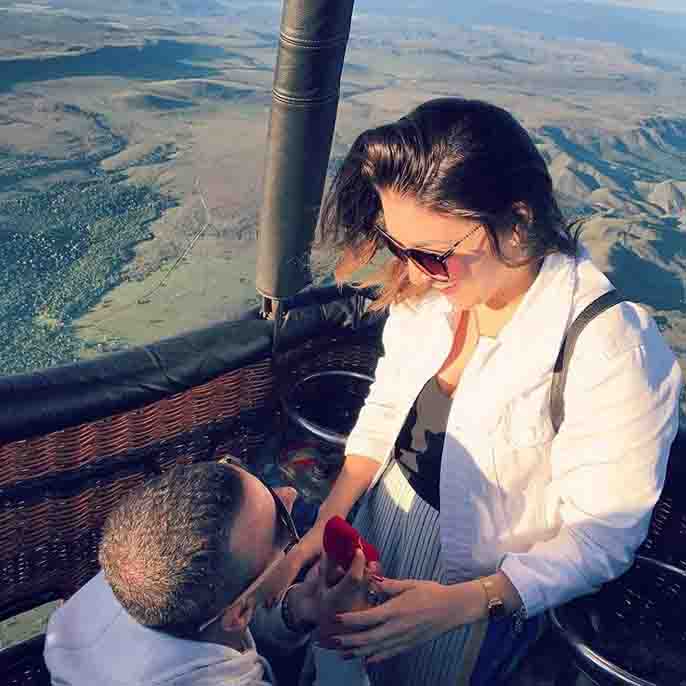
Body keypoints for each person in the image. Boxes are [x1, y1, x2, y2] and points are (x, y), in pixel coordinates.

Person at [262, 98, 684, 685]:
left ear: (517, 223)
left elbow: (601, 538)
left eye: (435, 255)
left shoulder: (611, 348)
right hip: (384, 524)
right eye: (398, 246)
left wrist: (462, 604)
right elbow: (387, 408)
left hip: (480, 590)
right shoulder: (439, 292)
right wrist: (329, 517)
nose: (411, 274)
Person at [43, 459, 377, 686]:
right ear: (240, 612)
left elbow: (218, 628)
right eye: (282, 525)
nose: (289, 493)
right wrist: (339, 640)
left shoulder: (134, 576)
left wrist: (296, 611)